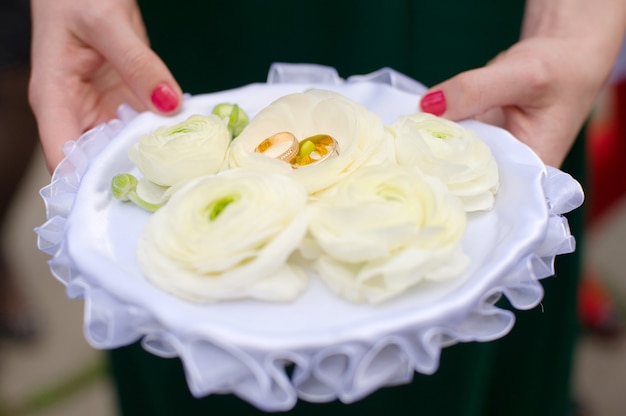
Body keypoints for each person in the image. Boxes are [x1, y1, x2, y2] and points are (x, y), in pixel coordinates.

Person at [28, 0, 626, 415]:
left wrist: (577, 19)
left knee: (476, 242)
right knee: (192, 291)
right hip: (202, 22)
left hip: (460, 20)